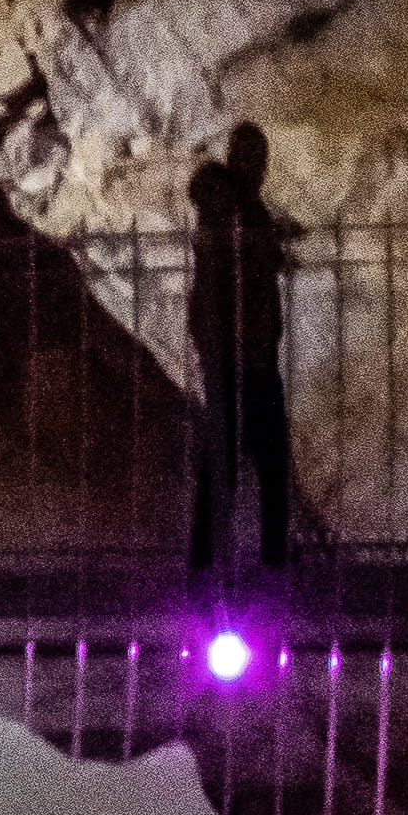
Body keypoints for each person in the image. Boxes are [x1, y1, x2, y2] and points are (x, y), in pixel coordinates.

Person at [181, 123, 311, 569]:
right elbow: (233, 256)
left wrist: (274, 244)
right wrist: (270, 241)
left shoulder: (245, 209)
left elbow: (248, 258)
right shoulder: (226, 205)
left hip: (251, 352)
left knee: (241, 460)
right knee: (244, 460)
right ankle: (233, 563)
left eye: (260, 158)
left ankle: (214, 562)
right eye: (250, 156)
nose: (257, 167)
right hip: (234, 354)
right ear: (235, 159)